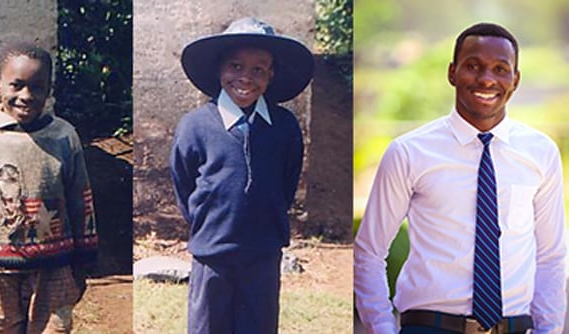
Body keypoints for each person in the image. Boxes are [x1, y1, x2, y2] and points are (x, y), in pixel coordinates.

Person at [354, 22, 566, 333]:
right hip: (429, 326)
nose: (486, 79)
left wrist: (549, 330)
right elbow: (369, 252)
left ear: (515, 79)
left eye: (500, 69)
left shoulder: (541, 152)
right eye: (473, 66)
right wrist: (382, 328)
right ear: (452, 72)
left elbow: (551, 255)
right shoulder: (409, 152)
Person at [170, 17, 314, 334]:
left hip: (263, 253)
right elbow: (184, 185)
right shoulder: (196, 126)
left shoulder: (284, 126)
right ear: (220, 69)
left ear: (271, 75)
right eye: (235, 67)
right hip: (212, 255)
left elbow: (287, 181)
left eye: (258, 70)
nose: (245, 78)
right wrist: (208, 223)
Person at [0, 42, 98, 333]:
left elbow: (81, 200)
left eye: (37, 87)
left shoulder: (64, 138)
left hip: (54, 271)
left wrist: (84, 260)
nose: (26, 96)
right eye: (16, 85)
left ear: (49, 90)